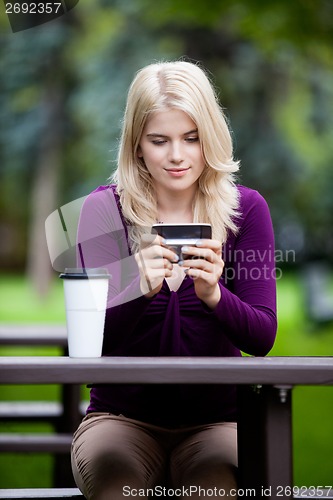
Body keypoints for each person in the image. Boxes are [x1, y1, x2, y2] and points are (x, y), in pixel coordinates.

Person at [70, 60, 277, 500]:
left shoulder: (247, 210)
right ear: (137, 145)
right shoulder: (104, 212)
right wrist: (136, 292)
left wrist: (215, 295)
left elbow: (262, 336)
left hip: (218, 421)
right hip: (119, 419)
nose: (178, 155)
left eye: (192, 138)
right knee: (117, 489)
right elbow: (88, 348)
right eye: (159, 140)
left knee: (212, 492)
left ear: (211, 138)